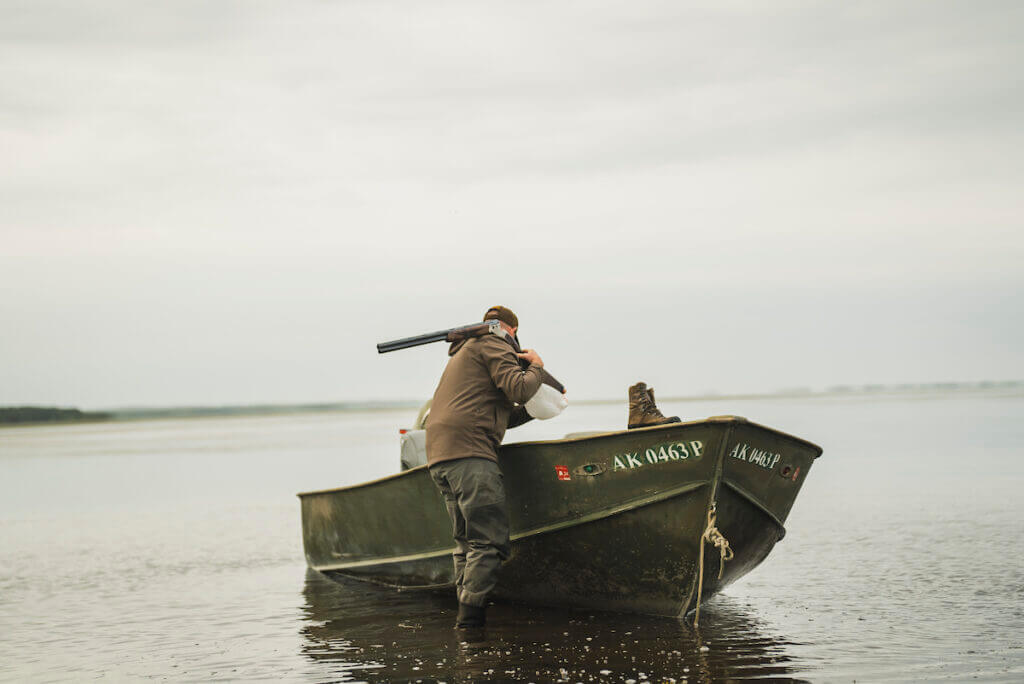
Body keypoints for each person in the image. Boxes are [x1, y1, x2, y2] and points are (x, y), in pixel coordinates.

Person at [425, 305, 545, 631]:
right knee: (488, 542)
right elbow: (519, 388)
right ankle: (470, 624)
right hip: (470, 455)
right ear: (512, 332)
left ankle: (464, 623)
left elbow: (503, 411)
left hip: (442, 456)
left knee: (467, 543)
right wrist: (537, 367)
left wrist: (539, 409)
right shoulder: (495, 342)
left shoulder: (467, 352)